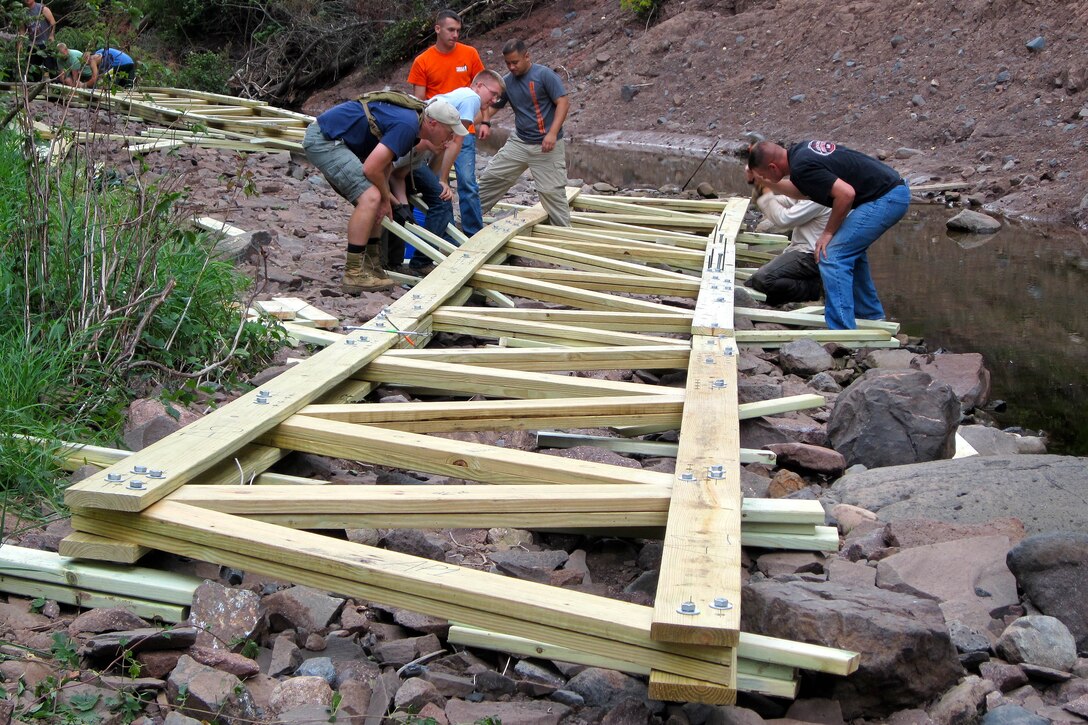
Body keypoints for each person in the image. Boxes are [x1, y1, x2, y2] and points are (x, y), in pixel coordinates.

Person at [303, 97, 466, 294]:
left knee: (378, 198)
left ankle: (372, 266)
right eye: (449, 132)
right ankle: (354, 273)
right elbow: (371, 169)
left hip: (340, 141)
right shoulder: (408, 126)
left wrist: (386, 197)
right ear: (433, 124)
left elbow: (386, 164)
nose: (450, 139)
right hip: (326, 140)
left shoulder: (415, 127)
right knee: (371, 197)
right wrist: (384, 195)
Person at [747, 140, 910, 329]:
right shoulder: (799, 153)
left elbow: (846, 194)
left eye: (764, 174)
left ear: (773, 167)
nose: (764, 178)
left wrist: (828, 233)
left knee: (831, 255)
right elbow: (804, 192)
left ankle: (841, 330)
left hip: (885, 198)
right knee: (851, 252)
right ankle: (870, 317)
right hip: (890, 191)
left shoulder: (801, 166)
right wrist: (762, 183)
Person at [388, 70, 506, 272]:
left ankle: (394, 259)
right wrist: (442, 179)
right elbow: (455, 142)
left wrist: (436, 177)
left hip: (408, 155)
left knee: (409, 201)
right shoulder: (471, 98)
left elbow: (444, 144)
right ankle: (422, 261)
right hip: (410, 155)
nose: (494, 100)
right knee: (441, 199)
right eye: (493, 93)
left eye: (498, 97)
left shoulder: (460, 96)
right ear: (478, 86)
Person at [407, 10, 487, 238]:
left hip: (464, 130)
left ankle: (474, 235)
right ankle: (446, 235)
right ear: (438, 29)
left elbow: (482, 88)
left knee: (468, 183)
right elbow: (419, 102)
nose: (455, 35)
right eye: (451, 30)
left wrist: (486, 120)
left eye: (458, 31)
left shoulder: (469, 54)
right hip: (436, 132)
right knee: (435, 184)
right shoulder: (423, 61)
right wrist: (424, 138)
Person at [478, 40, 571, 227]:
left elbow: (563, 103)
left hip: (547, 145)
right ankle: (466, 220)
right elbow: (490, 107)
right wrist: (484, 122)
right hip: (519, 142)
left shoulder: (544, 75)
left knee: (552, 192)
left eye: (515, 62)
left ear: (527, 56)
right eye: (508, 63)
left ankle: (563, 235)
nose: (511, 67)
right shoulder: (507, 82)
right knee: (492, 177)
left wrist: (552, 133)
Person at [744, 175, 830, 306]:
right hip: (801, 251)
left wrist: (765, 196)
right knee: (751, 284)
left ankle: (815, 289)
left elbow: (784, 220)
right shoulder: (814, 187)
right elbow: (791, 201)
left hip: (810, 255)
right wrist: (765, 196)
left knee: (763, 279)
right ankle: (787, 295)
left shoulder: (820, 194)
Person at [20, 0, 56, 77]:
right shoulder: (23, 13)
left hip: (45, 43)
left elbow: (52, 22)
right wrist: (20, 43)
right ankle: (34, 86)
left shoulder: (42, 8)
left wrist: (51, 35)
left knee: (50, 66)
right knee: (32, 68)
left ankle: (54, 85)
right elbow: (22, 30)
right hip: (33, 44)